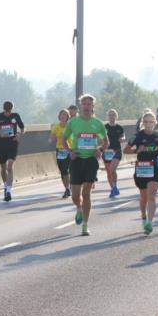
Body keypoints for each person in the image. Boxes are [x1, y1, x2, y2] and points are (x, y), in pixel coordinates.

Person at [63, 94, 108, 236]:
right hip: (76, 159)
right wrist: (70, 151)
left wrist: (99, 150)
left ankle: (85, 225)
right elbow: (64, 139)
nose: (87, 106)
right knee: (75, 195)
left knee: (86, 193)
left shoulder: (98, 123)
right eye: (84, 104)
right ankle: (79, 208)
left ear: (93, 106)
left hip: (90, 160)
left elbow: (106, 141)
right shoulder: (73, 122)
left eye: (89, 104)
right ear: (80, 106)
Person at [125, 111, 158, 234]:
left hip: (155, 168)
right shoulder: (138, 136)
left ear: (155, 123)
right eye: (146, 122)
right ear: (143, 123)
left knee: (152, 195)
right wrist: (137, 151)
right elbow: (126, 150)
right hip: (142, 168)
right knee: (143, 197)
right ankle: (143, 216)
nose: (148, 124)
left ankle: (150, 222)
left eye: (151, 122)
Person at [0, 100, 25, 201]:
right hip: (2, 145)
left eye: (9, 107)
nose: (8, 108)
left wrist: (19, 135)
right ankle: (5, 186)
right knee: (3, 167)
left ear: (12, 108)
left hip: (13, 143)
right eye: (7, 107)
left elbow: (23, 128)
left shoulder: (16, 116)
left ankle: (9, 191)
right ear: (4, 107)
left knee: (10, 166)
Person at [49, 109, 72, 198]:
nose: (63, 117)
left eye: (65, 115)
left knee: (71, 170)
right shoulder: (56, 127)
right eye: (62, 115)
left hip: (70, 149)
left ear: (67, 117)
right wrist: (51, 139)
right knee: (63, 171)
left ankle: (71, 186)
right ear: (59, 116)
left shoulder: (70, 126)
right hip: (60, 150)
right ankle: (67, 189)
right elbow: (52, 136)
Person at [104, 108, 125, 198]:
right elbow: (100, 137)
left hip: (116, 151)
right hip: (106, 151)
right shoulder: (105, 127)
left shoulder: (119, 127)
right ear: (108, 116)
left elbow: (123, 136)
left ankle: (115, 185)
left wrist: (122, 139)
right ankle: (113, 188)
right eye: (110, 115)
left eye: (113, 115)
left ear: (116, 116)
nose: (111, 116)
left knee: (112, 169)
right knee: (109, 172)